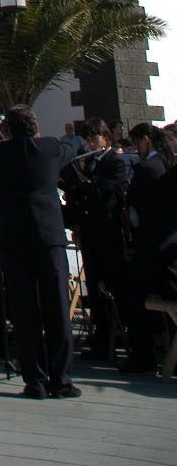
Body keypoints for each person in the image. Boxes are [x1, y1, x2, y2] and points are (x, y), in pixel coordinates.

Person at [0, 103, 78, 400]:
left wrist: (0, 142)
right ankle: (62, 379)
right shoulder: (50, 147)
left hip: (14, 237)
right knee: (57, 308)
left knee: (24, 311)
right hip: (48, 237)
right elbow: (72, 147)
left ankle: (35, 381)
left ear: (9, 129)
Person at [60, 115, 128, 360]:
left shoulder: (115, 162)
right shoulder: (88, 163)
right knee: (95, 285)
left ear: (105, 137)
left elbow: (111, 192)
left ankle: (118, 334)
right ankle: (100, 337)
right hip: (89, 231)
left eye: (94, 137)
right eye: (87, 138)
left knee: (112, 284)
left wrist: (85, 186)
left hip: (108, 232)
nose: (90, 143)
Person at [121, 122, 177, 374]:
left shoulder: (146, 168)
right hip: (170, 244)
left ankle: (142, 356)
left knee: (134, 297)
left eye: (136, 143)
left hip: (152, 244)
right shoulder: (167, 164)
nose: (135, 148)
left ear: (146, 140)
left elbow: (134, 209)